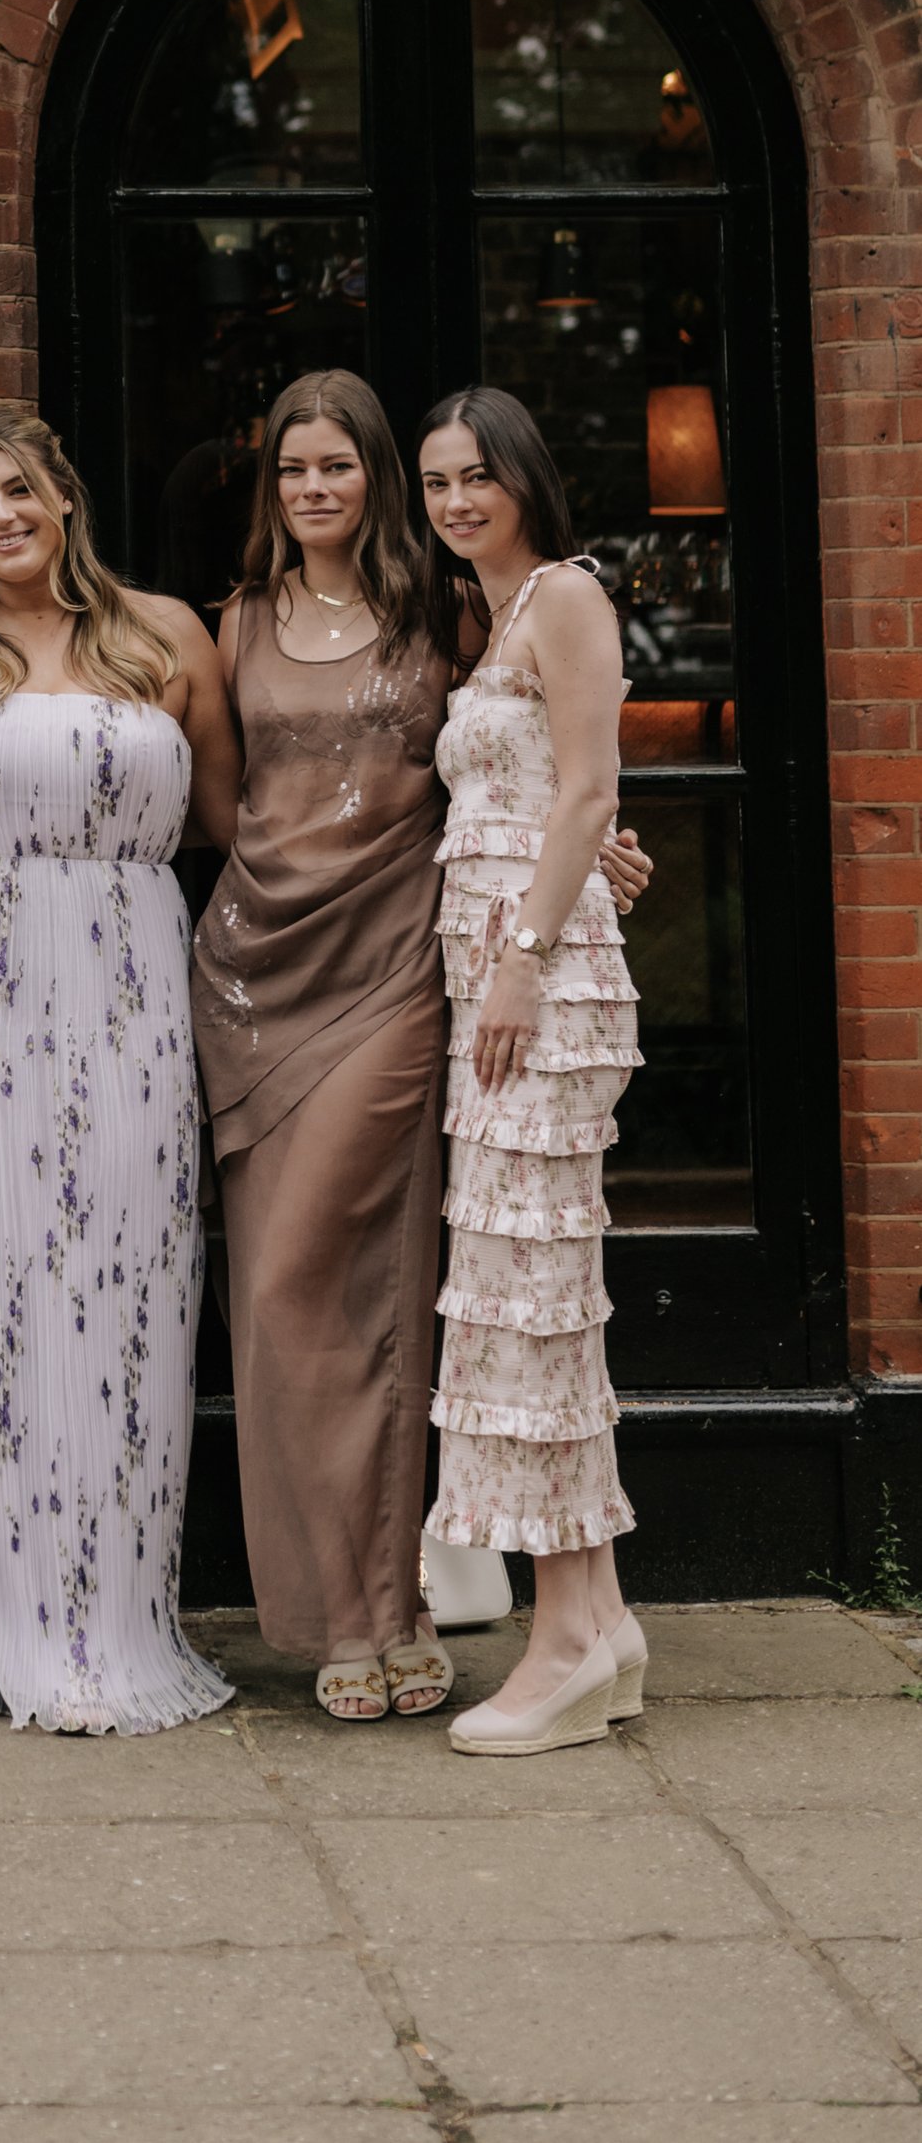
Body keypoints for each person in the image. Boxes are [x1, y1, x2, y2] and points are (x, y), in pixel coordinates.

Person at [194, 374, 653, 1725]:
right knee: (480, 1292)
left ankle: (486, 1622)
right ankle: (583, 1620)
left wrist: (576, 870)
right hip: (292, 972)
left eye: (345, 464)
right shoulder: (252, 622)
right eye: (293, 468)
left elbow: (564, 772)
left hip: (453, 983)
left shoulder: (463, 607)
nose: (318, 487)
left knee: (513, 1292)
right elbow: (240, 802)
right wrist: (573, 838)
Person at [0, 409, 238, 1736]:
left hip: (132, 999)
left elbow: (240, 828)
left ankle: (116, 1608)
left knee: (128, 1287)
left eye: (16, 489)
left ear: (64, 497)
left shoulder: (164, 637)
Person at [418, 386, 645, 1757]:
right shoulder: (490, 614)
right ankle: (602, 1621)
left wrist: (526, 954)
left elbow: (588, 790)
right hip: (499, 975)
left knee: (527, 1303)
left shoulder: (562, 594)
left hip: (534, 988)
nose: (454, 501)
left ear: (524, 478)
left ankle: (558, 1639)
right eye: (437, 480)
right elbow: (555, 794)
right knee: (540, 1305)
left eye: (476, 477)